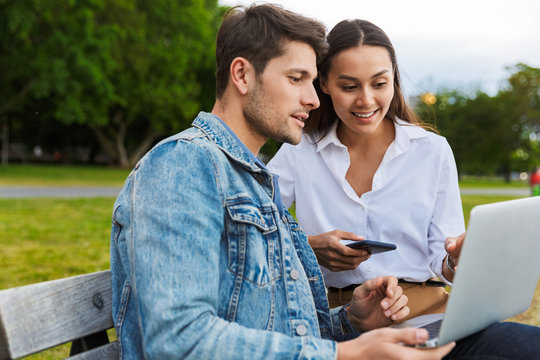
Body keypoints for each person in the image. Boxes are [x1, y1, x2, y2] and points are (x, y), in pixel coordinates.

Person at [110, 6, 540, 359]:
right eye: (298, 79)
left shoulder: (254, 180)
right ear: (242, 75)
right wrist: (347, 352)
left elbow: (284, 323)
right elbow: (177, 340)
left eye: (312, 82)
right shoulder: (183, 166)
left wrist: (352, 321)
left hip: (395, 323)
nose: (315, 99)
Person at [267, 19, 464, 317]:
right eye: (349, 86)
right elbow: (252, 231)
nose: (366, 100)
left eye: (379, 83)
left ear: (393, 80)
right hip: (334, 317)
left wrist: (455, 260)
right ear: (324, 84)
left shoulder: (431, 151)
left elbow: (445, 263)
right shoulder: (300, 150)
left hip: (424, 310)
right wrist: (306, 247)